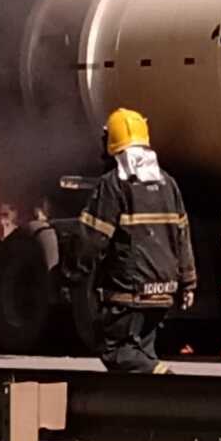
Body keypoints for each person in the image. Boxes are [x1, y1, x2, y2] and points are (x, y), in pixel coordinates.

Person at [65, 108, 197, 375]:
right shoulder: (168, 184)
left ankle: (163, 375)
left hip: (129, 293)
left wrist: (72, 275)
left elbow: (92, 240)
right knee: (141, 353)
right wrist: (188, 283)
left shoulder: (113, 185)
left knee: (116, 351)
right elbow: (182, 237)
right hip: (163, 293)